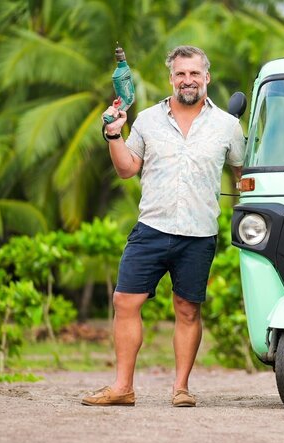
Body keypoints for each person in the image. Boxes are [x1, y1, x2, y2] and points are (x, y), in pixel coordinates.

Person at [81, 45, 245, 407]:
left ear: (206, 77)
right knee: (125, 300)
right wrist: (113, 135)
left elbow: (241, 173)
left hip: (199, 233)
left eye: (194, 73)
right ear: (171, 78)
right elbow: (127, 169)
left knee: (187, 309)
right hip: (151, 228)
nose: (188, 80)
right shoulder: (147, 120)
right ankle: (123, 387)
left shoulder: (228, 126)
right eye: (181, 74)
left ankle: (181, 388)